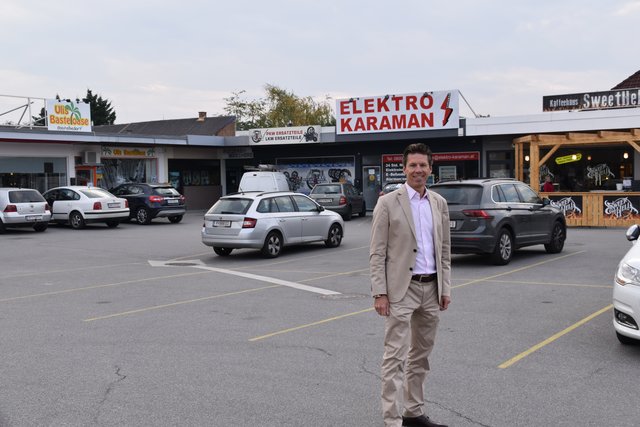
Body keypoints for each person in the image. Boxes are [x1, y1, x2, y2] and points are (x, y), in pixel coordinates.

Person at [370, 143, 451, 427]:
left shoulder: (439, 203)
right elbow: (377, 252)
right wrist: (380, 293)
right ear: (404, 169)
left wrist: (445, 289)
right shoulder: (388, 202)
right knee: (395, 357)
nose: (418, 170)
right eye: (413, 165)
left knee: (421, 357)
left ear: (431, 168)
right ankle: (392, 420)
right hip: (400, 291)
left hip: (431, 289)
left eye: (423, 165)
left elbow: (444, 251)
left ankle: (413, 413)